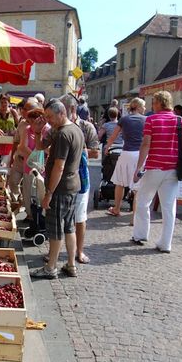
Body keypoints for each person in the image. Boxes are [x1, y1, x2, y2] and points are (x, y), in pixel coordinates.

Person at [30, 100, 85, 279]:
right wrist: (38, 131)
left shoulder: (63, 135)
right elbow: (39, 147)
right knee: (69, 227)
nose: (48, 120)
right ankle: (70, 265)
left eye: (50, 117)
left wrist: (49, 193)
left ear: (62, 113)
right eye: (46, 117)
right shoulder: (75, 129)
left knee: (55, 229)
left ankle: (50, 267)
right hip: (73, 186)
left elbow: (59, 167)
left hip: (61, 188)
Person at [131, 91, 182, 253]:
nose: (152, 105)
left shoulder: (152, 120)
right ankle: (165, 244)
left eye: (154, 102)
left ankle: (141, 234)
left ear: (159, 103)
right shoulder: (180, 121)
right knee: (169, 207)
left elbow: (145, 145)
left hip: (154, 167)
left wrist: (138, 167)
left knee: (143, 201)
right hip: (173, 169)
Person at [66, 96, 99, 264]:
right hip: (62, 178)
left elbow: (95, 152)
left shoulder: (87, 127)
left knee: (79, 217)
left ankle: (79, 251)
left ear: (72, 110)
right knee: (60, 216)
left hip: (80, 177)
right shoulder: (57, 127)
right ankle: (55, 251)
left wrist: (78, 149)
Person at [104, 98, 147, 218]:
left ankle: (117, 208)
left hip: (127, 153)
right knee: (138, 187)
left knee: (120, 182)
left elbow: (113, 136)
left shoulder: (124, 119)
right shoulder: (147, 120)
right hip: (141, 154)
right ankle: (135, 216)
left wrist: (107, 147)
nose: (145, 108)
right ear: (138, 107)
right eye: (143, 106)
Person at [17, 102, 49, 219]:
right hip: (29, 165)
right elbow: (22, 146)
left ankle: (41, 215)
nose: (30, 124)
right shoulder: (27, 129)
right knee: (27, 190)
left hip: (42, 167)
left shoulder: (47, 130)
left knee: (41, 191)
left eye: (31, 122)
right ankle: (30, 214)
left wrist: (37, 157)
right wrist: (34, 157)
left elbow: (47, 149)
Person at [7, 98, 41, 205]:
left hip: (31, 163)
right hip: (19, 160)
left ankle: (26, 206)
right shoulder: (22, 124)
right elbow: (16, 142)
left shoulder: (41, 127)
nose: (23, 110)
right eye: (23, 108)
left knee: (28, 188)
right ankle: (18, 199)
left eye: (26, 109)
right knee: (12, 182)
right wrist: (12, 157)